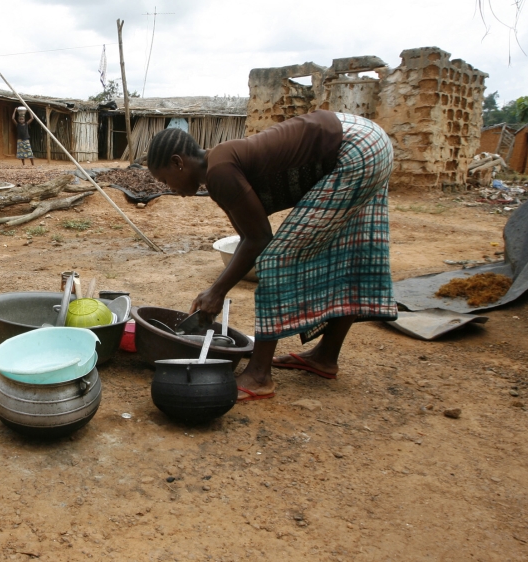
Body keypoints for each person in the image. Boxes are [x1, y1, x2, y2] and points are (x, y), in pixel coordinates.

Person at [146, 110, 397, 402]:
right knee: (348, 251)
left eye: (165, 180)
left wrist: (217, 290)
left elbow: (261, 240)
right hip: (369, 140)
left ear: (178, 162)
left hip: (355, 148)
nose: (169, 189)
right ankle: (326, 357)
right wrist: (215, 289)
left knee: (275, 261)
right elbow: (248, 236)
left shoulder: (220, 171)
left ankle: (259, 375)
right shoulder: (219, 167)